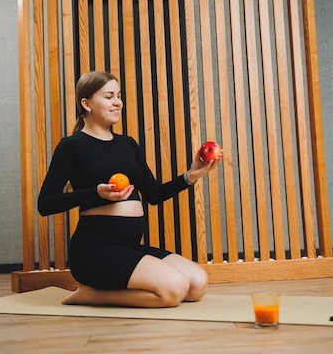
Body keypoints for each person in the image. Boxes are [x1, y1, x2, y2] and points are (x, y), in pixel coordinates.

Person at [38, 70, 222, 308]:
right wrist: (96, 193)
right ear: (87, 103)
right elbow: (46, 203)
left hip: (129, 247)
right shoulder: (71, 146)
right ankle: (91, 294)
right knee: (173, 290)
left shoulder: (128, 144)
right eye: (108, 96)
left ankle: (99, 291)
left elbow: (153, 194)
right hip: (94, 249)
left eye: (119, 95)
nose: (117, 102)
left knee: (197, 284)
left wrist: (190, 176)